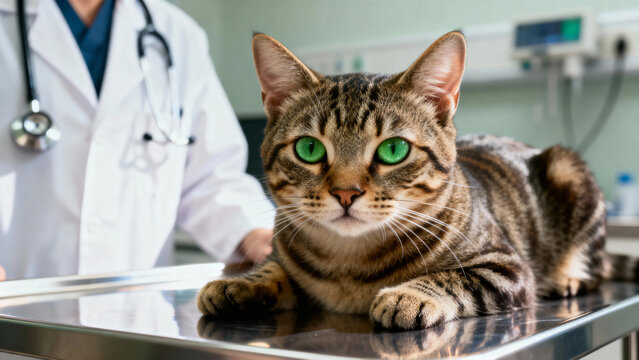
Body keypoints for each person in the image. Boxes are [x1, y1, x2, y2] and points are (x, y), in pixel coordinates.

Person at [0, 0, 274, 280]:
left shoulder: (178, 34)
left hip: (135, 307)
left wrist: (254, 233)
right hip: (14, 299)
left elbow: (210, 179)